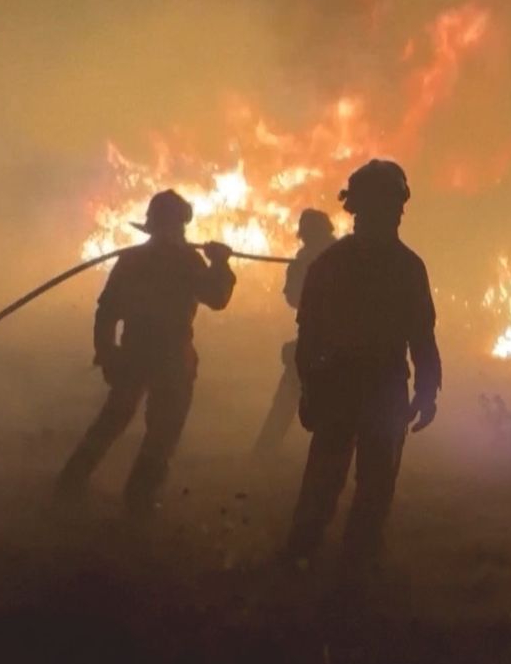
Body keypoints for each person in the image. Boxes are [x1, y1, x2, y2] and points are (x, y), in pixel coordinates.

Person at [286, 159, 441, 570]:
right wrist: (310, 387)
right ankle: (320, 555)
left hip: (370, 387)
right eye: (392, 204)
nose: (398, 213)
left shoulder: (342, 264)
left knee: (363, 481)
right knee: (338, 479)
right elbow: (311, 335)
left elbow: (421, 335)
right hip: (355, 386)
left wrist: (428, 388)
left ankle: (342, 557)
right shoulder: (389, 265)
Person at [56, 189, 236, 517]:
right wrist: (221, 264)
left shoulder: (132, 260)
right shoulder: (186, 261)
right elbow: (217, 298)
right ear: (178, 226)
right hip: (170, 357)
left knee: (114, 420)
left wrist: (108, 352)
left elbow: (106, 312)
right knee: (162, 430)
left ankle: (72, 481)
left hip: (136, 353)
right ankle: (137, 497)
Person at [252, 209, 338, 456]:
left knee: (325, 399)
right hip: (313, 337)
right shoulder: (307, 258)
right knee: (288, 394)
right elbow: (292, 297)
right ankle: (265, 451)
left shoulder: (341, 258)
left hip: (334, 340)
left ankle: (323, 452)